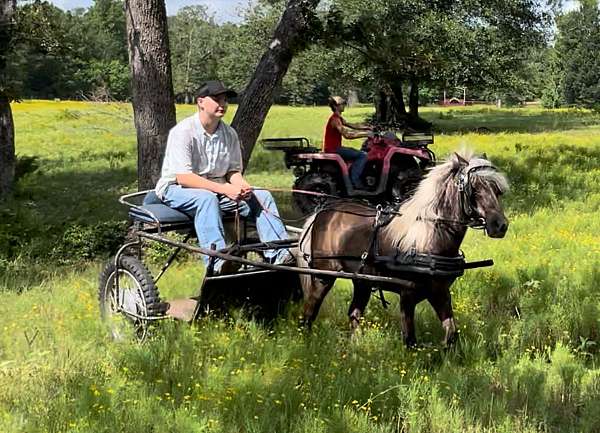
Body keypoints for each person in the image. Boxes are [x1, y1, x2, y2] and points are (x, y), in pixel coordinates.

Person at [155, 80, 291, 274]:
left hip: (216, 189)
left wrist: (242, 186)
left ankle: (279, 255)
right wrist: (225, 189)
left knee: (263, 196)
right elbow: (184, 177)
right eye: (217, 99)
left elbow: (232, 172)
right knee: (206, 199)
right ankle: (218, 261)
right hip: (177, 188)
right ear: (201, 102)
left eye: (225, 99)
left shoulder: (230, 134)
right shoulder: (183, 132)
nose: (223, 104)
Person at [323, 96, 372, 189]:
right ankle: (355, 181)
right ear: (336, 106)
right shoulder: (335, 120)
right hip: (334, 149)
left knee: (357, 153)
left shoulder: (338, 118)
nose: (344, 105)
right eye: (342, 103)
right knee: (363, 155)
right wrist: (366, 134)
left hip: (335, 148)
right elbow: (347, 135)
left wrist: (367, 127)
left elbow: (351, 125)